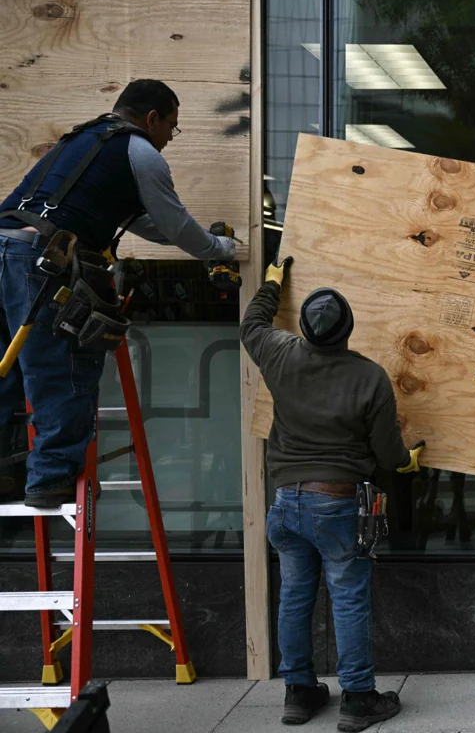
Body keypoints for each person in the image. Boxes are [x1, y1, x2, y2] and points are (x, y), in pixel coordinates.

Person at [0, 79, 235, 507]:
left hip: (6, 249)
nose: (169, 139)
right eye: (172, 127)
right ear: (152, 118)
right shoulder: (141, 153)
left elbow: (156, 224)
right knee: (61, 364)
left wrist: (188, 236)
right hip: (41, 262)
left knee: (6, 366)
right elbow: (176, 225)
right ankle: (50, 479)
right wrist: (221, 249)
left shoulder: (83, 138)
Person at [240, 255, 419, 733]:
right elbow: (387, 452)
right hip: (338, 506)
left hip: (286, 506)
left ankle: (298, 694)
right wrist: (408, 462)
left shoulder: (279, 352)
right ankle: (358, 698)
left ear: (302, 327)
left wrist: (273, 283)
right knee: (348, 599)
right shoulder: (369, 376)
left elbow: (252, 322)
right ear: (349, 329)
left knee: (296, 597)